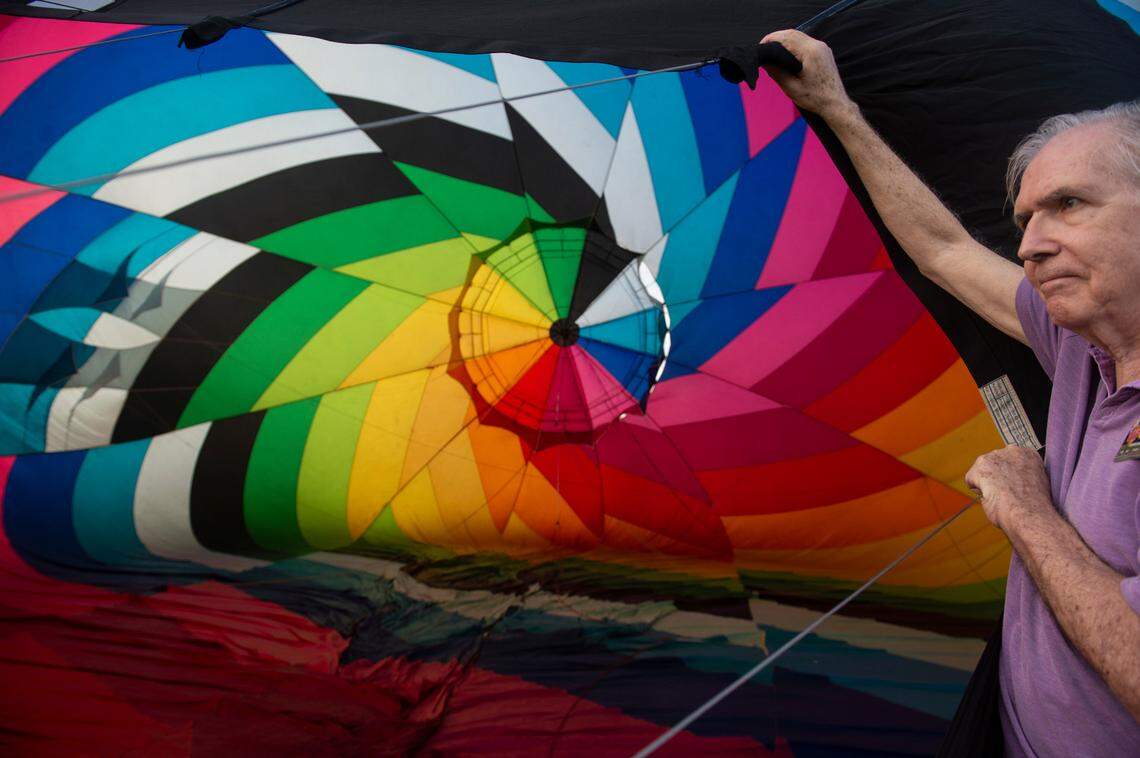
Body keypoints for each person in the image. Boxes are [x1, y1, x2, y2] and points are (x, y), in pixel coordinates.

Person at [757, 29, 1140, 756]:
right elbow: (944, 251)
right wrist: (836, 109)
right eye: (1026, 220)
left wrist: (1027, 513)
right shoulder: (1078, 342)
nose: (1029, 244)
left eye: (1068, 204)